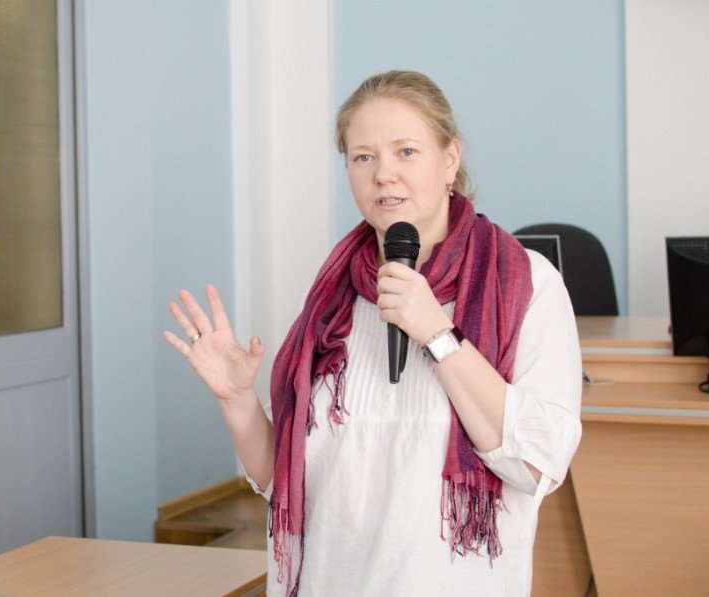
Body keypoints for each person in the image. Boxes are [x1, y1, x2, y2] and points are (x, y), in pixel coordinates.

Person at [163, 70, 582, 597]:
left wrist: (437, 332)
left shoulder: (528, 285)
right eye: (363, 157)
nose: (384, 175)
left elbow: (539, 463)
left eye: (406, 151)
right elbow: (284, 481)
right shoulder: (332, 297)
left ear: (449, 159)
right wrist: (237, 400)